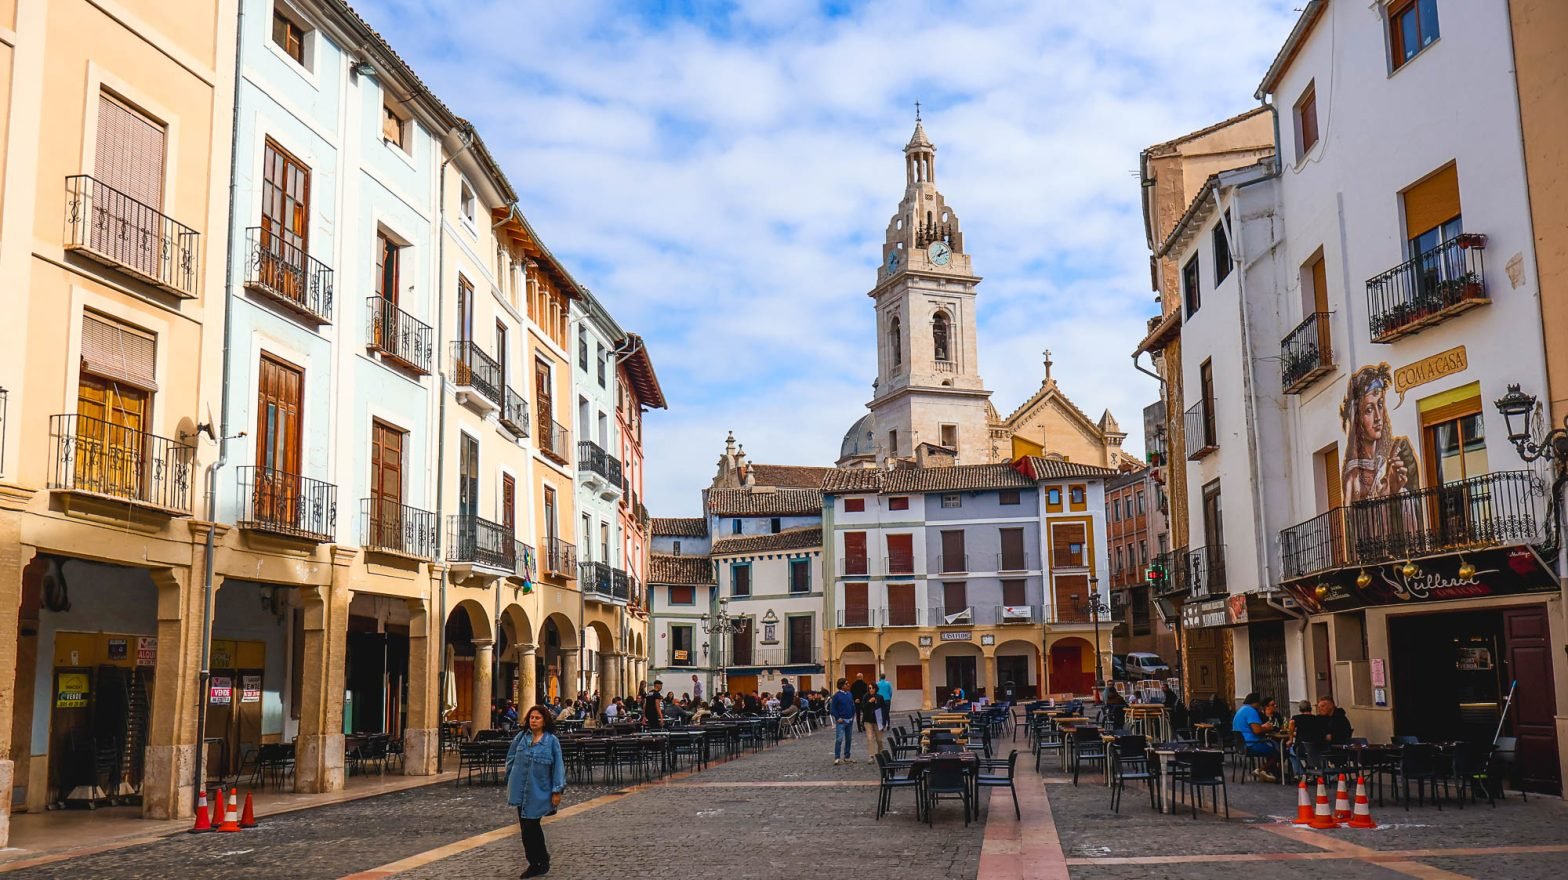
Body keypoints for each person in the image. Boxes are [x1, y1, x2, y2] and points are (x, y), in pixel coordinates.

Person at [506, 705, 566, 878]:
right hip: (520, 789)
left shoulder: (551, 740)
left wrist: (557, 791)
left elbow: (558, 766)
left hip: (539, 790)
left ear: (544, 720)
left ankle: (538, 861)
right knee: (527, 828)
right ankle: (537, 860)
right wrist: (510, 777)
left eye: (537, 718)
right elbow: (510, 758)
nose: (533, 720)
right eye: (531, 717)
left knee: (531, 826)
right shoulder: (521, 738)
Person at [1231, 692, 1280, 782]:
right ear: (1256, 703)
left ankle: (1274, 773)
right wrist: (1267, 728)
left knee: (1272, 747)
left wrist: (1262, 727)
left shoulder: (1241, 710)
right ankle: (1262, 770)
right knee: (1279, 750)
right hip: (1252, 744)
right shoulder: (1251, 711)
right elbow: (1257, 730)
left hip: (1241, 745)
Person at [830, 678, 856, 765]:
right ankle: (837, 757)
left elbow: (852, 705)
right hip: (841, 721)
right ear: (841, 685)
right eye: (846, 683)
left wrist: (853, 714)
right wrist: (837, 717)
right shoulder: (836, 696)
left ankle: (847, 756)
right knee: (839, 739)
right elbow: (833, 708)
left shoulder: (849, 694)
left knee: (848, 739)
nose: (848, 685)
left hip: (849, 720)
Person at [861, 691, 886, 761]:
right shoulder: (866, 697)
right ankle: (871, 756)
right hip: (867, 720)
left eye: (872, 688)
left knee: (879, 739)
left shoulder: (880, 697)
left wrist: (884, 721)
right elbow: (863, 707)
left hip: (877, 720)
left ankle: (880, 754)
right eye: (869, 688)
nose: (871, 690)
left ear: (876, 689)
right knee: (870, 738)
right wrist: (869, 702)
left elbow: (884, 709)